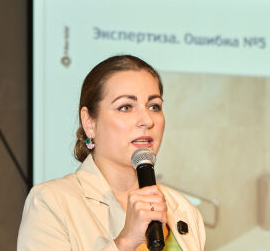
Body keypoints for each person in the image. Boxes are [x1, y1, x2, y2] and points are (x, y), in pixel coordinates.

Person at [17, 55, 206, 251]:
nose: (147, 120)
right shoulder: (51, 203)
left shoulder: (183, 209)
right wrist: (126, 241)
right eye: (126, 107)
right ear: (89, 123)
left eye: (154, 106)